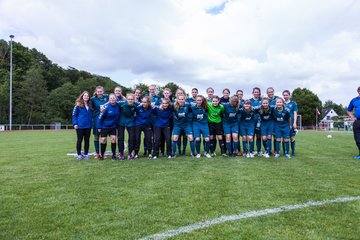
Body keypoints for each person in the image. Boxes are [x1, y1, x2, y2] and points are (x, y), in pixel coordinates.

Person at [97, 93, 119, 160]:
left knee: (113, 139)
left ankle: (113, 155)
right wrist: (99, 127)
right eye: (111, 98)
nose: (112, 99)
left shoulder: (118, 106)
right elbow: (100, 117)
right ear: (109, 99)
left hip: (113, 126)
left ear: (116, 99)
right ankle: (102, 155)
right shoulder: (105, 107)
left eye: (113, 98)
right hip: (104, 126)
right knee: (103, 140)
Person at [72, 91, 93, 160]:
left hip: (88, 126)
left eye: (87, 96)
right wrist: (75, 123)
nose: (86, 97)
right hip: (80, 126)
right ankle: (79, 155)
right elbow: (74, 115)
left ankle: (86, 154)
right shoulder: (78, 105)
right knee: (79, 140)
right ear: (82, 96)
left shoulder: (90, 105)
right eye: (85, 95)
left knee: (87, 140)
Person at [117, 93, 137, 160]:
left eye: (132, 99)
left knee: (132, 138)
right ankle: (121, 153)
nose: (130, 100)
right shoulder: (122, 103)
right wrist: (103, 107)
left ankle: (130, 153)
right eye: (129, 99)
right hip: (121, 122)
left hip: (130, 123)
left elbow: (143, 104)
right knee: (121, 138)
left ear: (133, 99)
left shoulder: (135, 105)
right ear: (126, 99)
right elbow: (112, 102)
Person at [91, 86, 109, 159]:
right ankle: (97, 153)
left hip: (105, 120)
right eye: (98, 91)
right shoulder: (93, 99)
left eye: (100, 91)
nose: (99, 93)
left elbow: (115, 97)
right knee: (96, 137)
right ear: (96, 92)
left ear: (103, 91)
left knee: (103, 137)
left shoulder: (107, 97)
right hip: (96, 119)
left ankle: (103, 153)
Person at [283, 90, 298, 156]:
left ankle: (293, 152)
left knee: (292, 137)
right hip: (284, 123)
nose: (285, 96)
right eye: (284, 95)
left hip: (291, 123)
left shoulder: (293, 103)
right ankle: (285, 152)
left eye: (287, 95)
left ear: (289, 95)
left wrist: (294, 122)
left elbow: (295, 113)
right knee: (284, 138)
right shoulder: (282, 103)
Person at [347, 86, 360, 159]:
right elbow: (348, 110)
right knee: (358, 140)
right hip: (357, 121)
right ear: (358, 91)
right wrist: (352, 117)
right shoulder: (354, 100)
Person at [250, 87, 262, 156]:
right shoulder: (250, 100)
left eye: (257, 92)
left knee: (258, 136)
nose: (256, 93)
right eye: (255, 92)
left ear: (259, 93)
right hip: (251, 121)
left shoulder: (262, 100)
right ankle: (252, 150)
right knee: (252, 136)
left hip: (259, 121)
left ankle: (259, 150)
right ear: (253, 93)